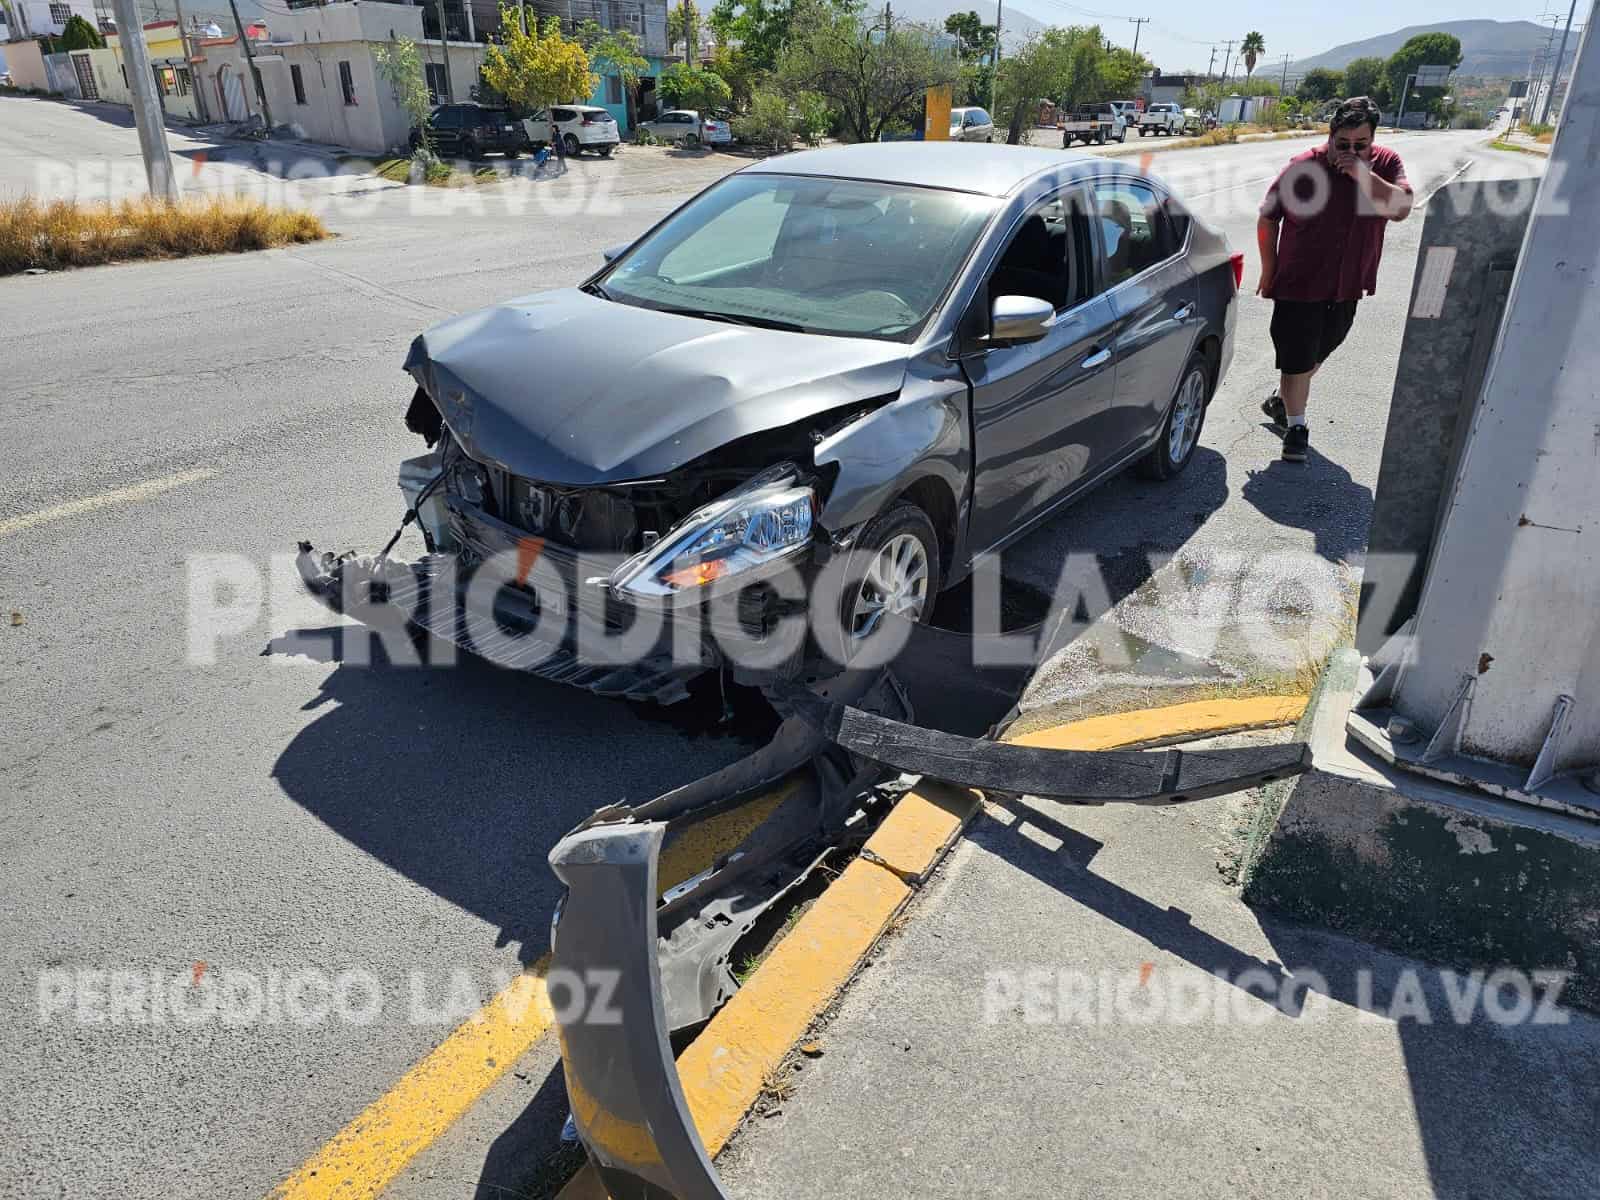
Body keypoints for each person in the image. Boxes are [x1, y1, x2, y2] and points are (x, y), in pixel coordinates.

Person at [1256, 96, 1413, 462]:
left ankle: (1283, 402)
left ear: (1373, 141)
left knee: (1318, 353)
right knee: (1297, 359)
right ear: (1330, 137)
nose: (1351, 151)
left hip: (1348, 283)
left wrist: (1362, 173)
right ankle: (1296, 428)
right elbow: (1268, 217)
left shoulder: (1386, 165)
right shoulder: (1303, 167)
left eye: (1361, 145)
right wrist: (1269, 270)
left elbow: (1401, 209)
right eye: (1342, 145)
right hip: (1299, 282)